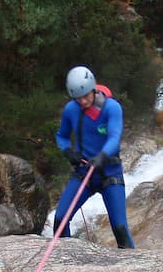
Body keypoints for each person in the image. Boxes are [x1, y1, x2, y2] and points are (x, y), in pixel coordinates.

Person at [52, 65, 135, 249]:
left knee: (120, 227)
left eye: (85, 96)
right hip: (83, 174)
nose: (82, 101)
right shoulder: (71, 110)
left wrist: (102, 156)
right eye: (78, 98)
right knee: (60, 219)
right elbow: (62, 136)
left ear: (93, 89)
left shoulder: (111, 108)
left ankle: (133, 266)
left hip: (109, 173)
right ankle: (65, 258)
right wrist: (67, 151)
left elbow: (114, 136)